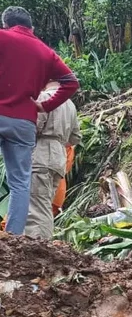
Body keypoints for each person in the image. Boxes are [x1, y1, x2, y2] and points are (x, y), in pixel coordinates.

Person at [0, 7, 79, 235]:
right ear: (31, 27)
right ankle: (14, 237)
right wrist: (44, 105)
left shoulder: (3, 38)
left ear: (6, 24)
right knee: (21, 183)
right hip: (25, 123)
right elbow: (71, 83)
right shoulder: (46, 52)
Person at [25, 83, 80, 239]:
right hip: (59, 157)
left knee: (36, 205)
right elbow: (75, 137)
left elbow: (34, 127)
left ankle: (37, 245)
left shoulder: (44, 97)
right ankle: (43, 243)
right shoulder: (70, 105)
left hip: (42, 153)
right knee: (44, 203)